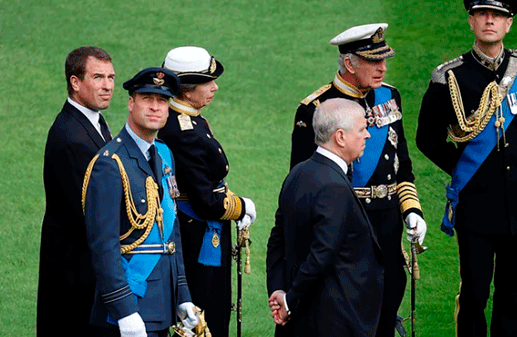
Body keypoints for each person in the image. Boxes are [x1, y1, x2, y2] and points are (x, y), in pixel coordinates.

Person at [416, 1, 517, 336]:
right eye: (482, 14)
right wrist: (466, 168)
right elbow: (427, 139)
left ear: (508, 23)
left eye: (498, 15)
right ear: (471, 21)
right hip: (476, 205)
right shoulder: (449, 76)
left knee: (512, 294)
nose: (490, 20)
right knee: (475, 293)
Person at [288, 23, 427, 337]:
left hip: (388, 226)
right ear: (349, 63)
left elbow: (401, 163)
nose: (383, 67)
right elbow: (304, 184)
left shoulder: (390, 96)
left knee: (387, 310)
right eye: (373, 61)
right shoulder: (314, 109)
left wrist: (411, 210)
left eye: (384, 59)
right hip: (344, 230)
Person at [82, 67, 200, 337]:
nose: (155, 107)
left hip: (162, 303)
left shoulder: (164, 154)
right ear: (131, 103)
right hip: (129, 307)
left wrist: (182, 295)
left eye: (162, 101)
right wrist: (124, 310)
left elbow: (171, 232)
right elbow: (104, 245)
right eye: (147, 99)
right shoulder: (109, 164)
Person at [158, 46, 257, 337]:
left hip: (200, 231)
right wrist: (241, 206)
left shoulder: (189, 118)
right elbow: (205, 201)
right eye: (207, 82)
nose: (214, 88)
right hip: (196, 234)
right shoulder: (183, 131)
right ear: (187, 90)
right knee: (205, 313)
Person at [267, 98, 384, 336]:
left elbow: (277, 240)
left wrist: (279, 290)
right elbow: (322, 254)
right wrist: (289, 301)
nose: (368, 135)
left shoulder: (298, 173)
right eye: (362, 129)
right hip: (333, 320)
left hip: (302, 321)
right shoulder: (334, 185)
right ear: (340, 137)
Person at [37, 46, 115, 336]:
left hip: (82, 267)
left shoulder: (91, 121)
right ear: (75, 82)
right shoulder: (71, 137)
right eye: (98, 77)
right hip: (75, 275)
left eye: (110, 77)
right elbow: (89, 213)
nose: (108, 86)